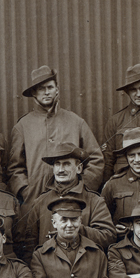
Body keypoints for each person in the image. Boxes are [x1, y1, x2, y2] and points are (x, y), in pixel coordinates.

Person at [9, 66, 103, 209]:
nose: (46, 92)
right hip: (34, 202)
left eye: (50, 87)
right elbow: (15, 168)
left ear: (57, 90)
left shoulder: (75, 121)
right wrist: (25, 191)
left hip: (73, 202)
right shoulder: (22, 126)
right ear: (34, 93)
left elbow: (96, 159)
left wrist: (81, 188)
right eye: (41, 88)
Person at [14, 143, 115, 258]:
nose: (61, 170)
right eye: (57, 164)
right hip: (47, 270)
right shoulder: (40, 202)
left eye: (66, 164)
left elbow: (108, 236)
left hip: (83, 268)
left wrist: (75, 229)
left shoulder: (94, 201)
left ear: (79, 168)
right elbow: (29, 244)